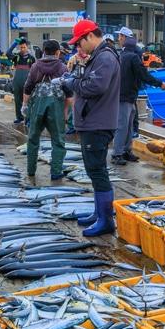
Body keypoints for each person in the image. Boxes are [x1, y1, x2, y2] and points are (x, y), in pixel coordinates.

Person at [62, 20, 120, 236]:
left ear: (89, 36)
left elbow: (96, 86)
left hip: (98, 122)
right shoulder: (99, 55)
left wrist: (71, 83)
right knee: (94, 171)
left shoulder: (104, 56)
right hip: (94, 120)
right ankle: (99, 213)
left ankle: (106, 220)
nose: (78, 47)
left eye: (79, 42)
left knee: (97, 171)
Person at [112, 26, 165, 165]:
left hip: (125, 96)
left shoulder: (119, 56)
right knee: (124, 126)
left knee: (128, 125)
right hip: (126, 97)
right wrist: (160, 84)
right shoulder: (133, 58)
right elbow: (144, 76)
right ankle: (117, 154)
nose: (119, 39)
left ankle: (126, 151)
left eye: (121, 37)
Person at [24, 40, 69, 181]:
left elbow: (27, 87)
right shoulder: (62, 67)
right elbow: (69, 92)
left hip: (37, 105)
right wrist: (66, 112)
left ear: (43, 50)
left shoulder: (35, 66)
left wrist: (24, 106)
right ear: (57, 52)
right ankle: (56, 172)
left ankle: (31, 171)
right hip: (56, 107)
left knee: (32, 139)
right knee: (58, 140)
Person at [8, 39, 35, 125]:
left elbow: (34, 71)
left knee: (28, 100)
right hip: (17, 81)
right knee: (17, 100)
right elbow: (8, 53)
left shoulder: (31, 58)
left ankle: (28, 119)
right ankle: (19, 117)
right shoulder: (17, 57)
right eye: (21, 47)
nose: (22, 49)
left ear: (27, 47)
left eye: (24, 47)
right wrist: (14, 43)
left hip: (27, 81)